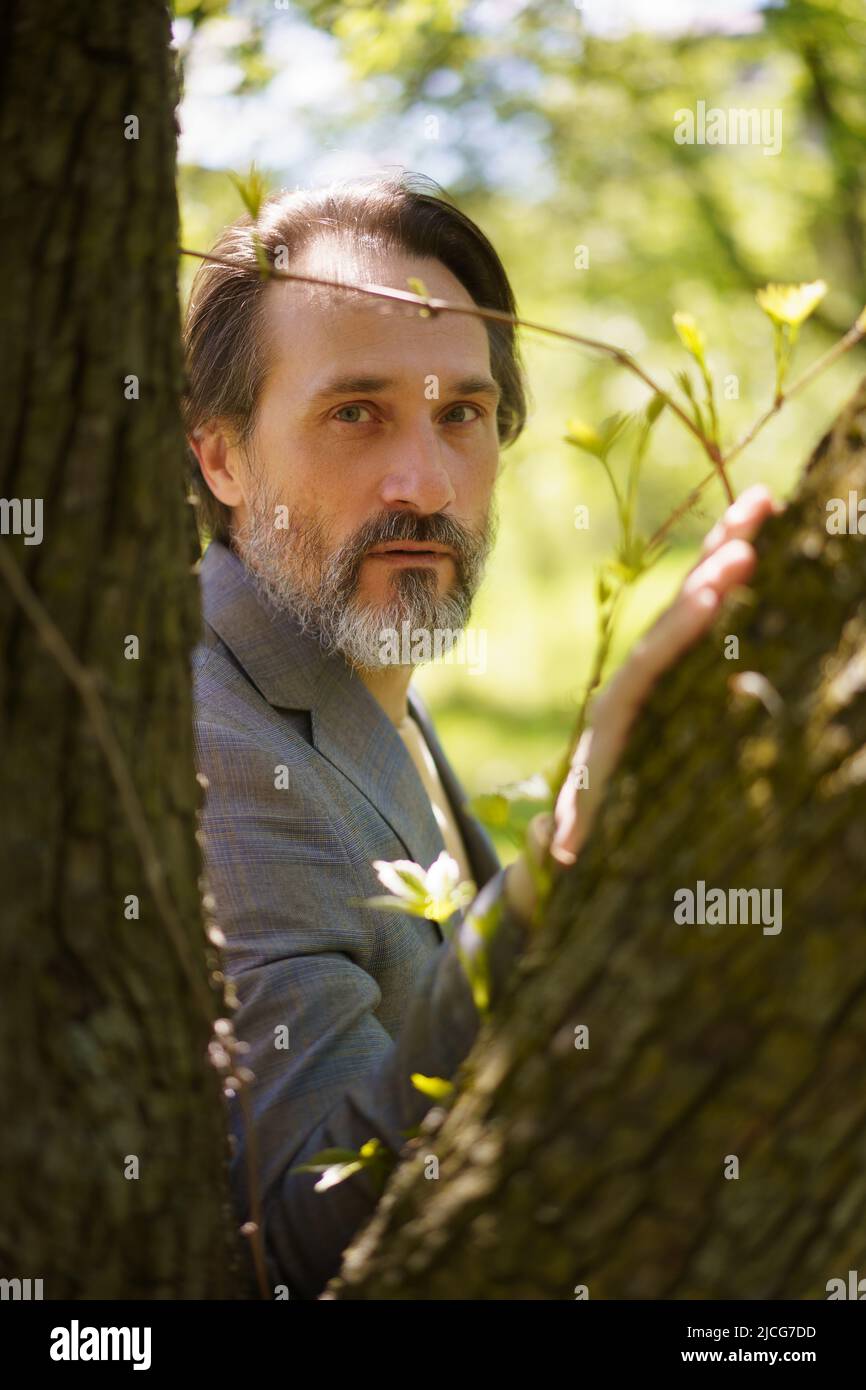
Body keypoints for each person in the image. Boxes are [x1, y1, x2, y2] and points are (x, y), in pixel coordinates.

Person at [183, 170, 776, 1298]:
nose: (424, 481)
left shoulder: (355, 692)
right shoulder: (215, 746)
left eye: (460, 412)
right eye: (354, 412)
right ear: (219, 455)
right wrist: (559, 866)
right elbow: (306, 1245)